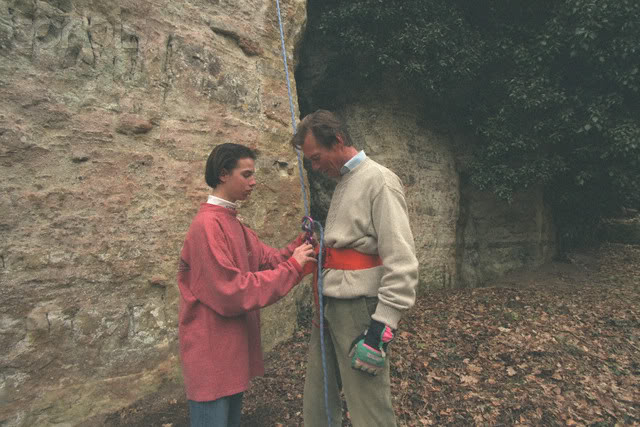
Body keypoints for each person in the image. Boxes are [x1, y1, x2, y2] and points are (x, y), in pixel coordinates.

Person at [291, 110, 419, 426]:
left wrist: (380, 330)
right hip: (330, 306)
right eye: (310, 160)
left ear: (338, 140)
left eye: (317, 157)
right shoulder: (345, 181)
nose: (315, 167)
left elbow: (402, 263)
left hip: (360, 312)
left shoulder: (379, 181)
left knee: (369, 411)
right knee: (318, 404)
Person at [177, 142, 316, 427]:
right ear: (224, 174)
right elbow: (232, 290)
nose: (254, 182)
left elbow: (269, 261)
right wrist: (294, 267)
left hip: (229, 351)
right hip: (212, 355)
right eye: (247, 174)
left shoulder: (232, 222)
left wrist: (300, 246)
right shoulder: (207, 226)